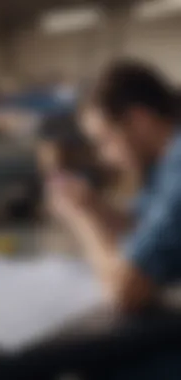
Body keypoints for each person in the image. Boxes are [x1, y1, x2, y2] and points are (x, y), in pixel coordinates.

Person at [47, 60, 181, 378]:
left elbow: (125, 291)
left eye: (105, 139)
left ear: (139, 120)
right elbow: (146, 228)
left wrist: (83, 221)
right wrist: (94, 206)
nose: (103, 155)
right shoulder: (164, 161)